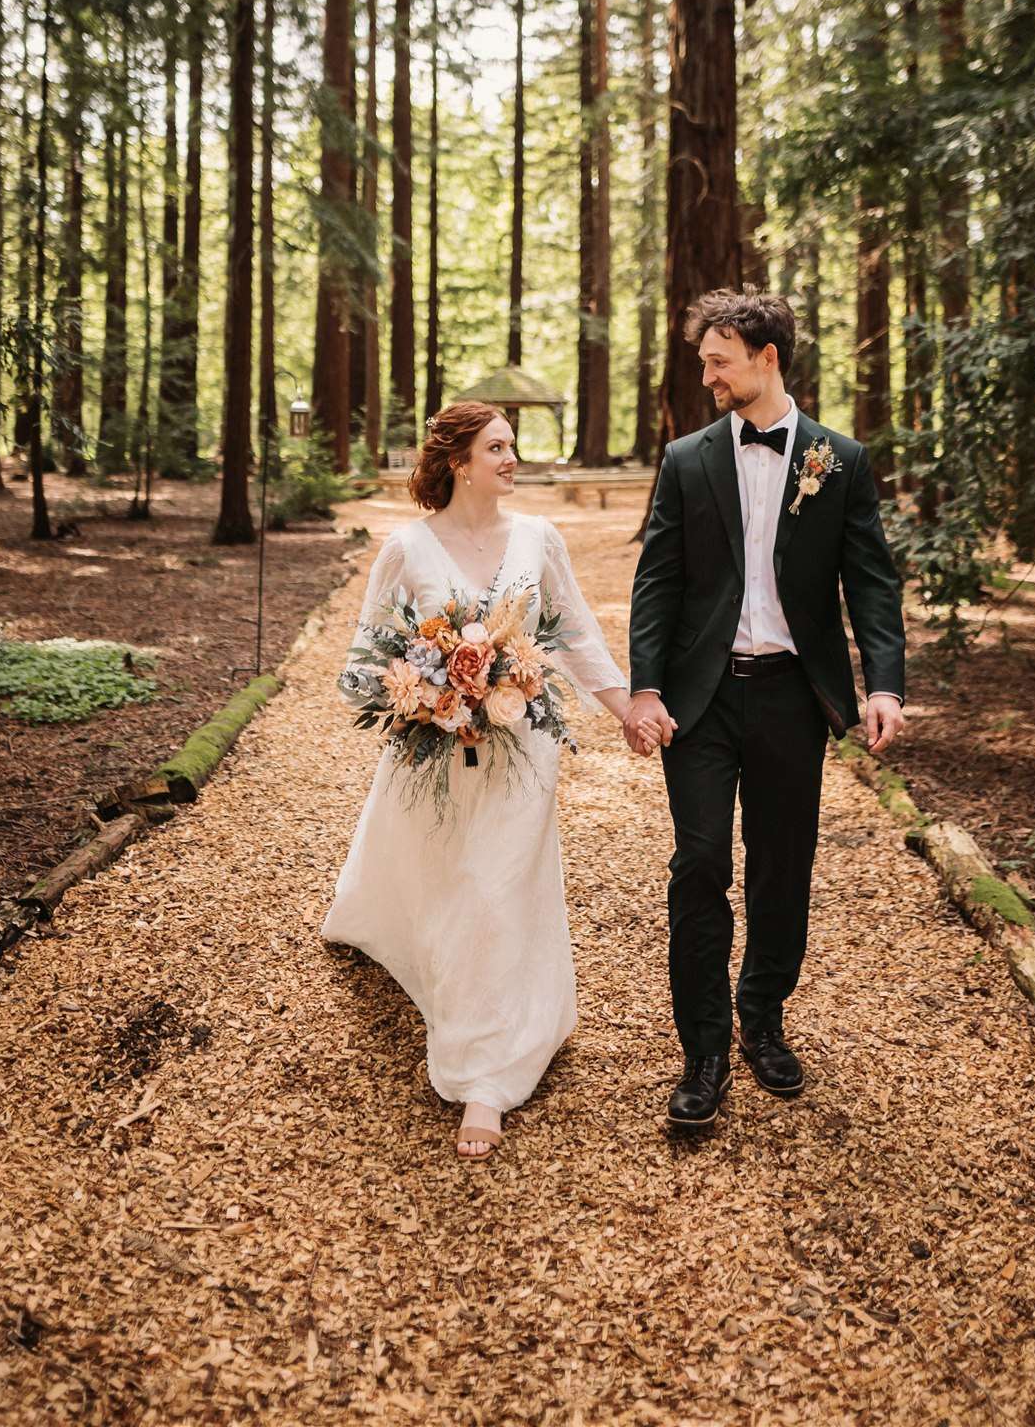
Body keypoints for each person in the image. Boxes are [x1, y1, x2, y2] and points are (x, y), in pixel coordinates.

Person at [624, 289, 906, 1129]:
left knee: (782, 868)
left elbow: (873, 581)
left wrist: (883, 683)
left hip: (792, 695)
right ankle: (703, 1050)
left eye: (719, 359)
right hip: (700, 701)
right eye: (705, 359)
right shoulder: (685, 460)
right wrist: (644, 687)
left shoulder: (840, 460)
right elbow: (658, 583)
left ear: (767, 357)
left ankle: (763, 1016)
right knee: (701, 863)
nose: (706, 374)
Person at [323, 400, 633, 1160]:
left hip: (523, 748)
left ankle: (483, 1076)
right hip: (435, 750)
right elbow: (363, 663)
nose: (512, 457)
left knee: (495, 888)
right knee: (447, 881)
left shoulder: (539, 539)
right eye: (497, 447)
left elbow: (579, 632)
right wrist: (423, 699)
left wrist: (627, 706)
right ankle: (400, 941)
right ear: (459, 462)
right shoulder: (407, 549)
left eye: (513, 445)